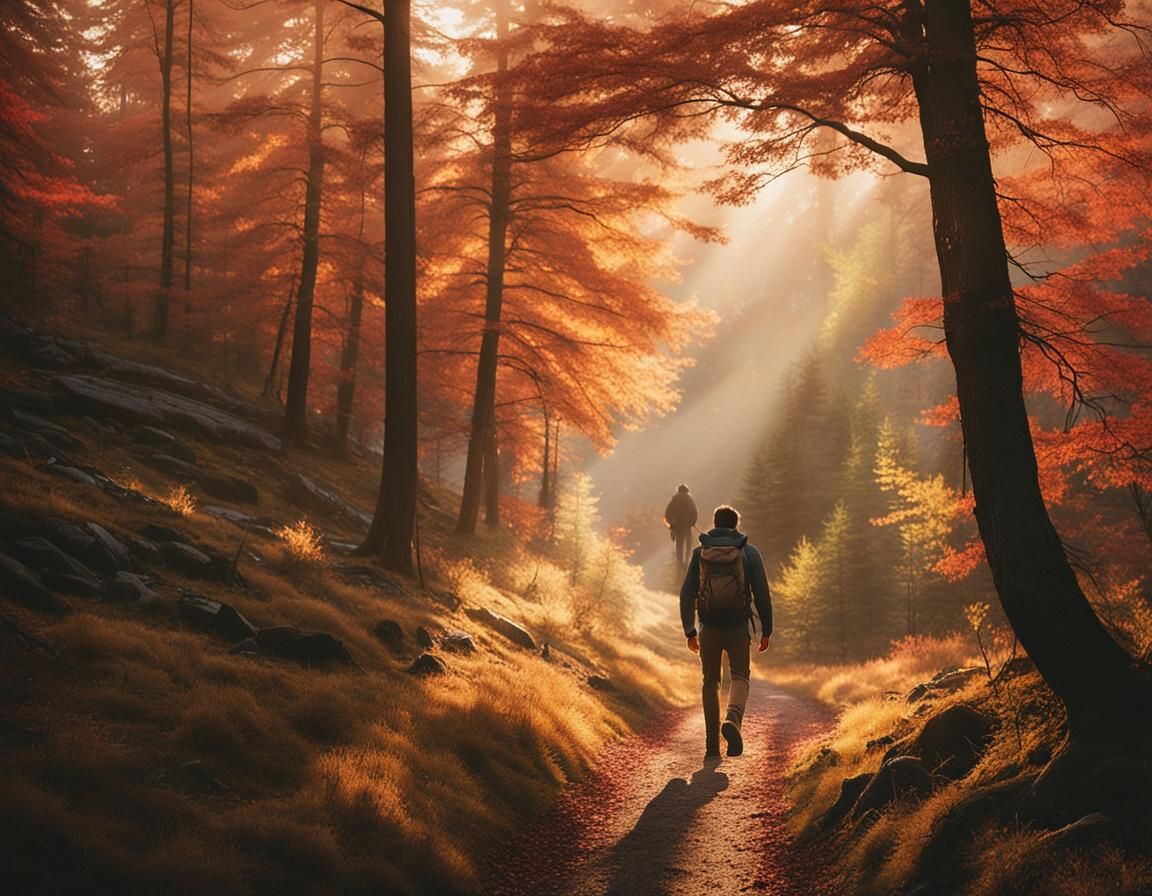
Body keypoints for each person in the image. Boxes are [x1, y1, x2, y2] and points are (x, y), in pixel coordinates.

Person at [680, 504, 772, 760]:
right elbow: (762, 594)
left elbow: (687, 593)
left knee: (710, 682)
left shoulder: (701, 553)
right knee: (740, 676)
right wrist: (767, 630)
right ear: (735, 525)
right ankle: (732, 719)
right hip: (738, 627)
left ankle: (712, 746)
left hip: (708, 628)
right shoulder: (749, 553)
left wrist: (690, 631)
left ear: (715, 523)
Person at [664, 483, 698, 567]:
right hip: (687, 526)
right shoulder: (689, 499)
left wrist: (671, 525)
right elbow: (695, 512)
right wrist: (692, 522)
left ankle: (680, 564)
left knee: (679, 545)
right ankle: (687, 562)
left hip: (678, 526)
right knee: (688, 545)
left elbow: (667, 514)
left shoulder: (674, 500)